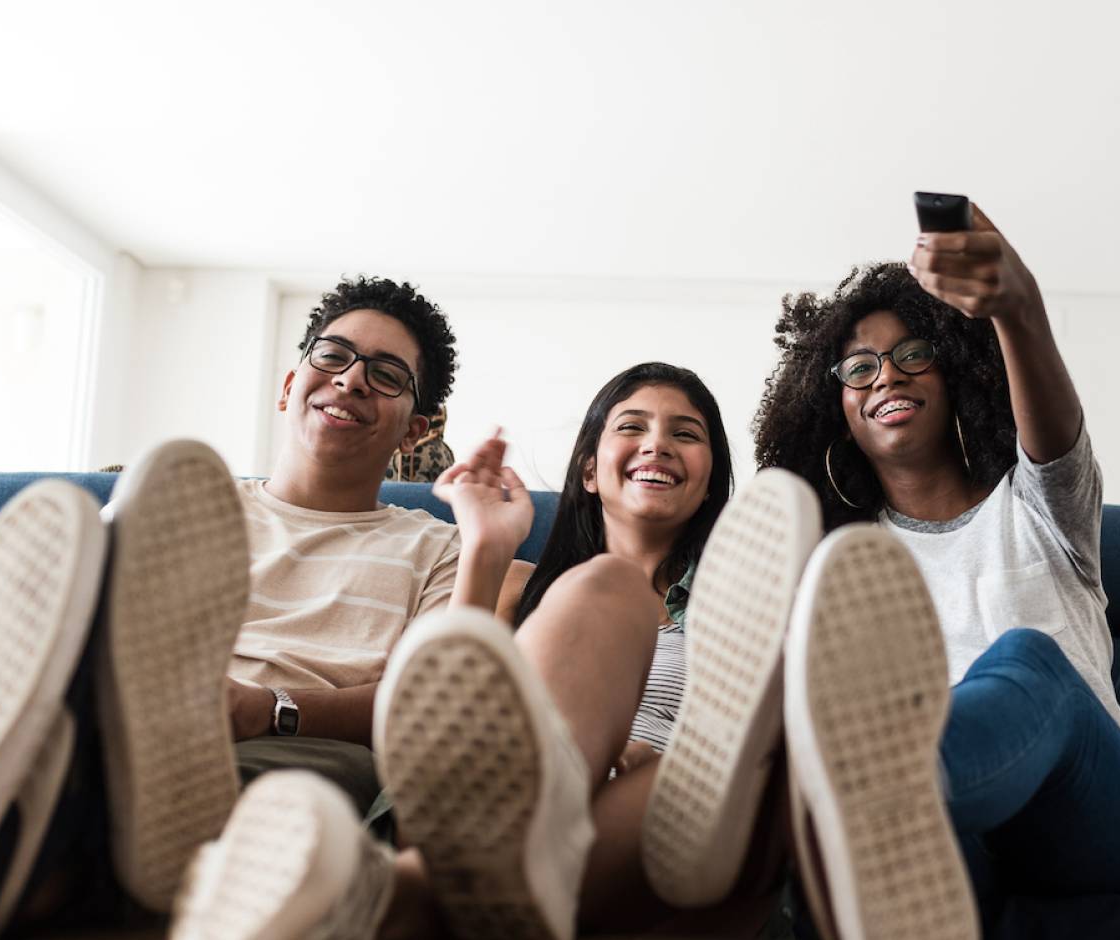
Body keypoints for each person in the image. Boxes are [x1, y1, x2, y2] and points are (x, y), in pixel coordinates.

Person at [0, 274, 531, 937]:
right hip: (133, 712)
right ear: (288, 384)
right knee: (80, 719)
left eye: (386, 375)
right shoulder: (186, 503)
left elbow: (423, 706)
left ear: (414, 432)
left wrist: (265, 708)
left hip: (300, 746)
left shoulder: (439, 545)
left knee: (205, 801)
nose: (352, 380)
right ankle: (60, 793)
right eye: (333, 355)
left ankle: (48, 836)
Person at [171, 362, 820, 940]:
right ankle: (539, 796)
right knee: (606, 588)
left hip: (652, 830)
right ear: (590, 471)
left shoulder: (746, 610)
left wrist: (657, 759)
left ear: (711, 482)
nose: (657, 443)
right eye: (633, 426)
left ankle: (404, 897)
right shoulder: (519, 582)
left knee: (744, 786)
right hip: (480, 808)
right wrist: (484, 545)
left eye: (686, 433)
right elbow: (431, 712)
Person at [751, 207, 1120, 938]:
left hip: (1103, 827)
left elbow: (1053, 433)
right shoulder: (843, 570)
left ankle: (866, 797)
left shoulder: (1042, 507)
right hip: (960, 853)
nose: (886, 375)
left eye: (913, 353)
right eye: (859, 368)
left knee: (1026, 659)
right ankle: (862, 820)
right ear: (835, 410)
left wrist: (1017, 309)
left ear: (956, 369)